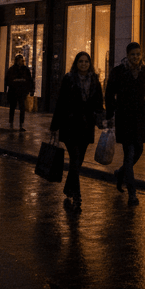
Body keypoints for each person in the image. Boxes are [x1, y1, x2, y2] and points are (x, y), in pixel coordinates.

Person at [50, 51, 104, 213]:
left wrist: (102, 120)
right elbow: (60, 103)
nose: (83, 64)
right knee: (75, 159)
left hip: (86, 127)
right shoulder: (69, 79)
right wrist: (54, 126)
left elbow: (98, 103)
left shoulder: (95, 80)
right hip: (70, 125)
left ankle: (68, 188)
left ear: (90, 63)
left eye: (86, 62)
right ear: (76, 63)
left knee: (78, 162)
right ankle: (78, 196)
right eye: (81, 61)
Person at [105, 41, 145, 206]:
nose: (135, 57)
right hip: (124, 118)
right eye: (133, 54)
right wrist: (112, 112)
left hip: (140, 118)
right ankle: (132, 193)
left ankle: (120, 173)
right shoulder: (118, 71)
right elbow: (109, 93)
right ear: (127, 55)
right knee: (129, 153)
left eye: (138, 54)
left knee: (139, 150)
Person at [4, 52, 35, 129]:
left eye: (21, 60)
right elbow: (7, 80)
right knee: (13, 107)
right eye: (19, 60)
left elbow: (30, 80)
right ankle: (11, 123)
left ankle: (21, 124)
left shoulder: (25, 69)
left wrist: (31, 89)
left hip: (22, 92)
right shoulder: (12, 69)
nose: (20, 62)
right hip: (14, 91)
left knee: (22, 108)